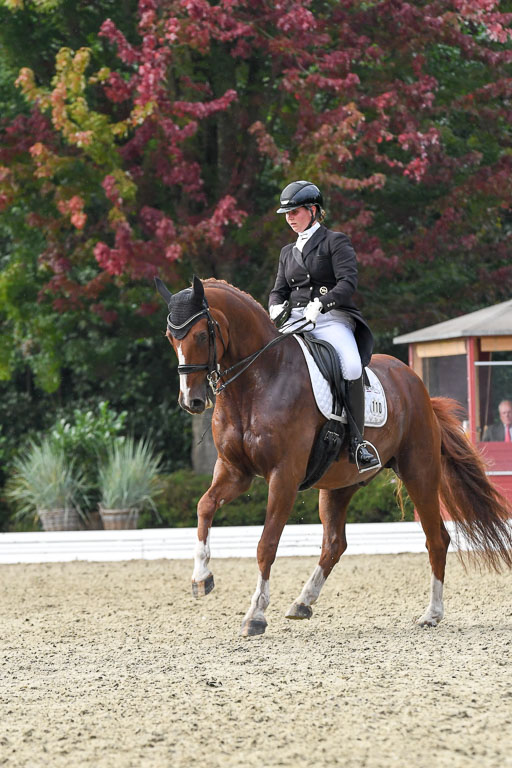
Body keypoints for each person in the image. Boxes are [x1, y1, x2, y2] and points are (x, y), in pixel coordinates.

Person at [268, 179, 379, 470]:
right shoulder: (286, 252)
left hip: (330, 319)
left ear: (313, 210)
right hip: (295, 320)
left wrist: (323, 303)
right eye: (287, 214)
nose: (290, 218)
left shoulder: (334, 241)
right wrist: (274, 308)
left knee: (352, 367)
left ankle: (357, 443)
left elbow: (348, 282)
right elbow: (278, 290)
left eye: (295, 212)